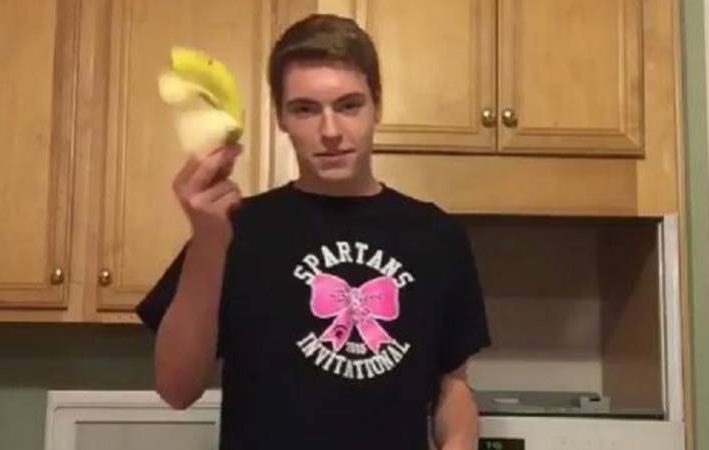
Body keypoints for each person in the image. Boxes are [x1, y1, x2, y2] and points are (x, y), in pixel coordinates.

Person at [136, 13, 491, 450]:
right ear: (280, 118)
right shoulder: (236, 228)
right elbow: (176, 389)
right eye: (305, 109)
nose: (330, 131)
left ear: (377, 106)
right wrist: (208, 242)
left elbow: (454, 387)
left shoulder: (437, 236)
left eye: (349, 105)